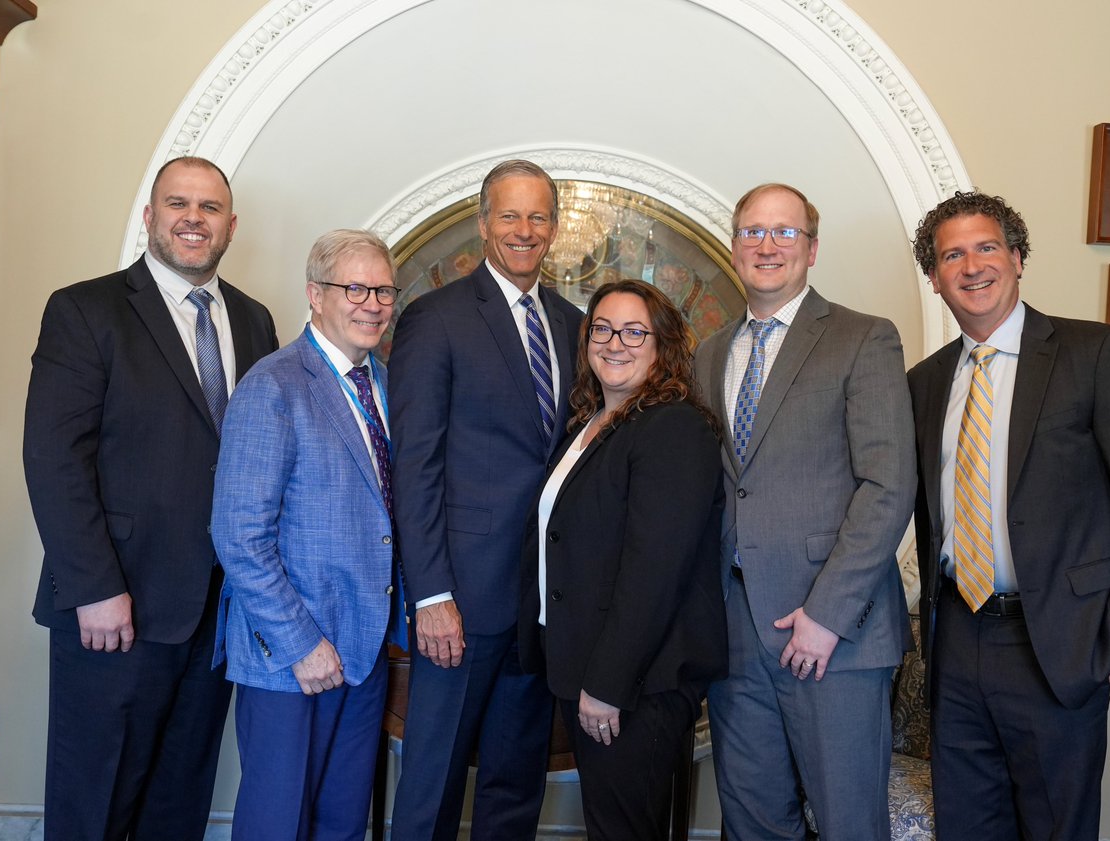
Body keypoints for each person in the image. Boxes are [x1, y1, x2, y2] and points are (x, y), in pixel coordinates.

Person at [907, 191, 1110, 840]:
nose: (972, 265)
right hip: (957, 643)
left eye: (986, 247)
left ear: (1018, 257)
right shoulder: (922, 382)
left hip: (1059, 643)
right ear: (935, 276)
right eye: (952, 255)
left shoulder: (1093, 353)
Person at [22, 156, 278, 841]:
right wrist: (94, 587)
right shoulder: (86, 309)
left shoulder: (254, 321)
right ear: (150, 216)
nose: (193, 218)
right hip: (117, 606)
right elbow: (54, 461)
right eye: (178, 203)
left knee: (178, 803)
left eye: (209, 207)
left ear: (230, 224)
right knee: (94, 804)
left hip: (218, 613)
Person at [694, 182, 917, 840]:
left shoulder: (862, 338)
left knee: (849, 824)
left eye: (784, 232)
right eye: (752, 231)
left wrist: (826, 615)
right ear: (734, 246)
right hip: (735, 632)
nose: (766, 245)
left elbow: (888, 485)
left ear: (812, 248)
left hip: (834, 637)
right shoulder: (712, 353)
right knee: (753, 822)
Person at [386, 159, 585, 841]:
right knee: (432, 786)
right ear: (482, 222)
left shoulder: (572, 323)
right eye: (510, 215)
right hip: (460, 605)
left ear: (555, 228)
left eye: (537, 217)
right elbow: (414, 466)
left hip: (538, 605)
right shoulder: (433, 318)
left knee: (514, 784)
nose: (524, 230)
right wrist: (431, 593)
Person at [210, 229, 407, 840]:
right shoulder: (274, 386)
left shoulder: (388, 384)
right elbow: (239, 536)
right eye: (355, 288)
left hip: (364, 649)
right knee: (278, 823)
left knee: (341, 824)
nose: (372, 303)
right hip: (289, 656)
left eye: (383, 290)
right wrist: (301, 643)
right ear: (314, 295)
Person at [519, 279, 727, 840]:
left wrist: (608, 683)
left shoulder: (674, 427)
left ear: (662, 344)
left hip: (637, 683)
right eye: (603, 329)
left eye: (635, 331)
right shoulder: (590, 425)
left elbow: (653, 572)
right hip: (585, 666)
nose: (617, 343)